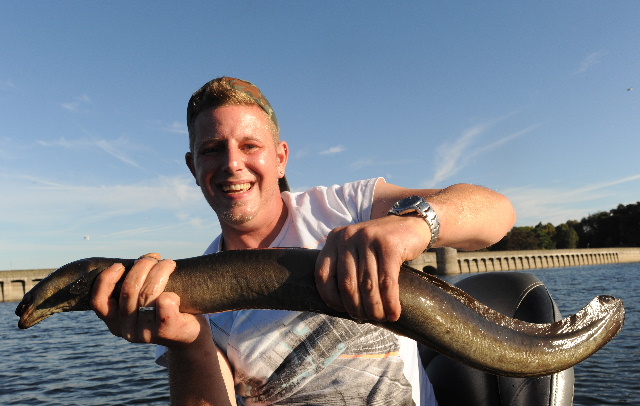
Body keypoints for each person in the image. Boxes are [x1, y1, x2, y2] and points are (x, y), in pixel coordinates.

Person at [91, 77, 517, 406]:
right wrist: (190, 344)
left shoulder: (347, 207)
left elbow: (497, 213)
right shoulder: (192, 295)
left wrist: (415, 224)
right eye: (213, 149)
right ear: (193, 166)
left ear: (280, 158)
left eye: (250, 145)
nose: (232, 163)